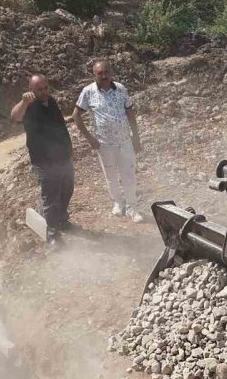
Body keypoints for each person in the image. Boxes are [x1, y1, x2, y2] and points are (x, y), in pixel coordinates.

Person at [73, 60, 144, 223]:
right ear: (94, 74)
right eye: (100, 73)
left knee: (129, 175)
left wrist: (136, 137)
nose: (104, 76)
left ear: (111, 72)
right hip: (104, 144)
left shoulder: (120, 89)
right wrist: (90, 138)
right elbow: (76, 115)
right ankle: (118, 203)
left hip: (125, 141)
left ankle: (132, 208)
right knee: (110, 176)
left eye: (106, 72)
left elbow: (130, 112)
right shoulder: (88, 92)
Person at [10, 74, 75, 243]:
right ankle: (52, 231)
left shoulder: (52, 102)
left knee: (67, 189)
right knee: (51, 196)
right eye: (39, 89)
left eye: (46, 88)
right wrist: (24, 102)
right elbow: (14, 117)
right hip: (44, 161)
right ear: (31, 90)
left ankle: (62, 219)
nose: (44, 92)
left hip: (63, 157)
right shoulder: (29, 106)